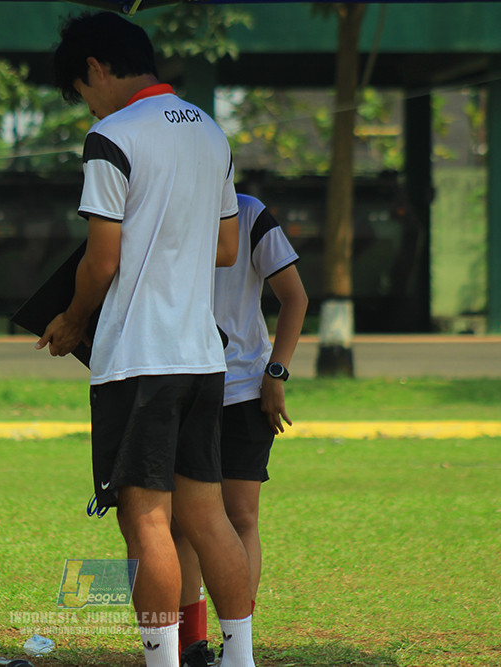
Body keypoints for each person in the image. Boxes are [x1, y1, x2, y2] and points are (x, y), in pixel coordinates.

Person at [39, 13, 253, 667]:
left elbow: (102, 262)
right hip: (200, 356)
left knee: (147, 520)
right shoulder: (210, 132)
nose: (88, 104)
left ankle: (161, 660)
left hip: (138, 361)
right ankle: (240, 658)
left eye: (83, 90)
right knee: (207, 515)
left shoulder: (110, 137)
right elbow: (224, 247)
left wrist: (72, 319)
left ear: (97, 70)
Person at [173, 194, 308, 667]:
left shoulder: (249, 213)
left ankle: (238, 646)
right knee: (180, 524)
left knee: (240, 517)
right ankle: (191, 646)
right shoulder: (165, 204)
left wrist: (276, 373)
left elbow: (295, 296)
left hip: (244, 390)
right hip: (180, 385)